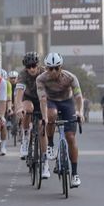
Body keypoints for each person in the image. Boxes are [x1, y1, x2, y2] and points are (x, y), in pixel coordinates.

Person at [37, 52, 83, 187]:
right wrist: (45, 117)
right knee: (51, 115)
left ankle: (74, 174)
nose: (53, 71)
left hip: (67, 102)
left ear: (61, 67)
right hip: (51, 102)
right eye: (50, 68)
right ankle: (50, 144)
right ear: (46, 68)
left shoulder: (70, 77)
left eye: (56, 68)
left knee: (70, 137)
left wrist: (80, 112)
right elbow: (43, 99)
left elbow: (78, 96)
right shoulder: (41, 79)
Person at [15, 52, 45, 160]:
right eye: (29, 67)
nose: (32, 69)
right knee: (28, 109)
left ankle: (43, 157)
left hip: (42, 99)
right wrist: (19, 107)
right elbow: (19, 92)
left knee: (42, 126)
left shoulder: (44, 72)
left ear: (38, 65)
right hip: (28, 98)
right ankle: (26, 137)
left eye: (34, 66)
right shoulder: (23, 74)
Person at [0, 68, 12, 156]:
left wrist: (9, 108)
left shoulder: (7, 84)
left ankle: (3, 146)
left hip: (3, 104)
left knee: (3, 124)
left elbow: (9, 98)